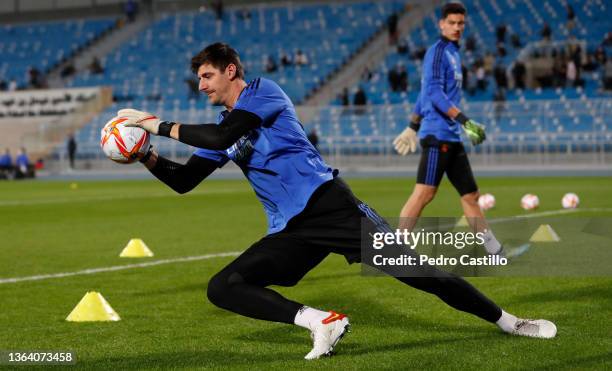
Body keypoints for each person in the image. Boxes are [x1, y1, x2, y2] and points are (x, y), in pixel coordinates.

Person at [120, 41, 556, 361]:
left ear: (231, 71)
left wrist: (155, 124)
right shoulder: (222, 124)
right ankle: (320, 322)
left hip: (332, 207)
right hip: (291, 229)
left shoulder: (262, 92)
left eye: (207, 76)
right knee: (224, 287)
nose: (200, 85)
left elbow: (220, 136)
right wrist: (145, 154)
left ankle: (510, 321)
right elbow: (184, 180)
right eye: (198, 78)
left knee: (425, 275)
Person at [392, 3, 506, 258]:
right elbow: (432, 93)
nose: (457, 27)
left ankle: (493, 250)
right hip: (438, 135)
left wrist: (412, 125)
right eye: (452, 23)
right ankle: (395, 249)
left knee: (471, 195)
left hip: (451, 136)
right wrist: (465, 120)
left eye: (461, 23)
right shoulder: (438, 52)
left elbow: (425, 92)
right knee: (424, 193)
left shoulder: (454, 53)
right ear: (441, 24)